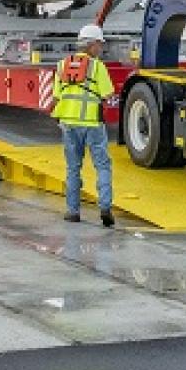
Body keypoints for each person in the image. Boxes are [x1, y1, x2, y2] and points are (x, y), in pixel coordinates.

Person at [50, 24, 116, 227]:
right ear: (91, 45)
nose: (101, 49)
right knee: (102, 166)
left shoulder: (63, 65)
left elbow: (55, 97)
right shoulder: (97, 67)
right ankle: (105, 207)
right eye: (99, 45)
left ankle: (72, 211)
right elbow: (107, 95)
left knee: (73, 168)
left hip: (69, 125)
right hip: (92, 124)